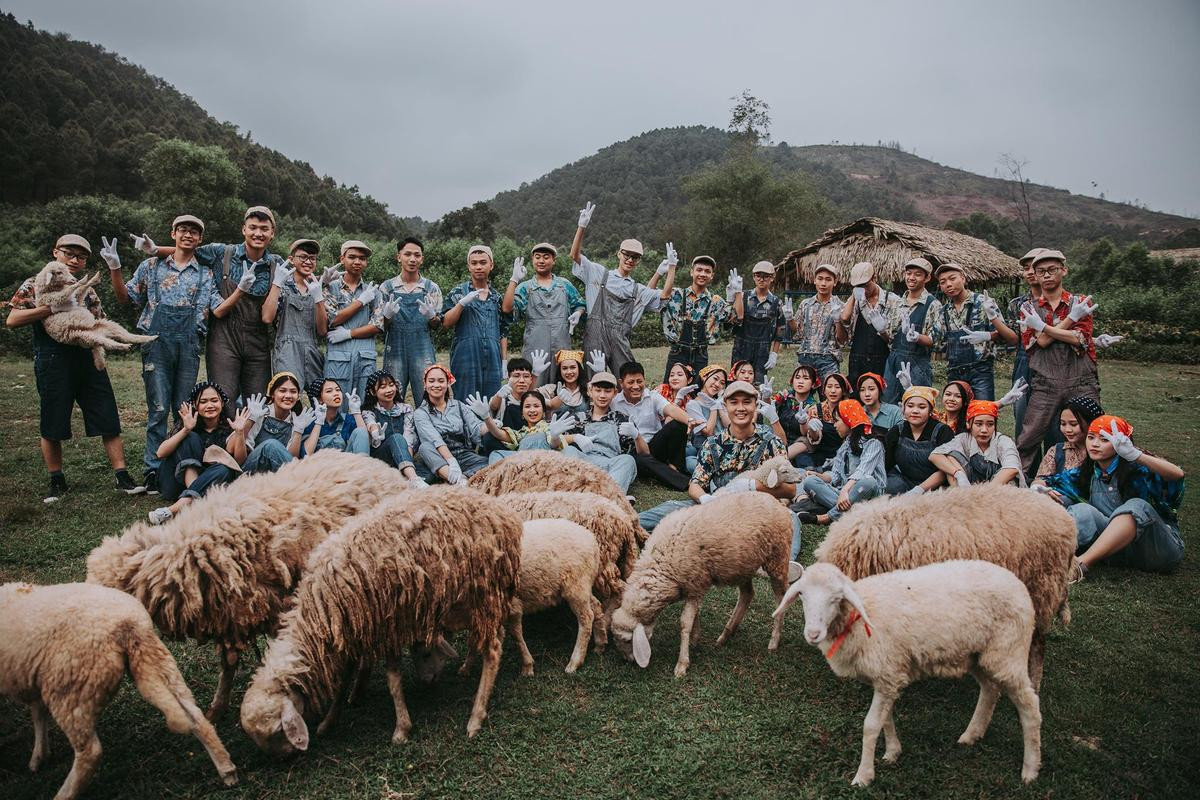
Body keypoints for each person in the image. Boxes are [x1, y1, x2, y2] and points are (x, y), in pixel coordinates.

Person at [6, 233, 142, 501]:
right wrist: (51, 309)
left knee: (107, 415)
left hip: (86, 356)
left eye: (80, 257)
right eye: (69, 253)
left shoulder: (86, 289)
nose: (74, 260)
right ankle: (57, 480)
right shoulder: (35, 284)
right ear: (55, 252)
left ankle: (122, 476)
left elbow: (99, 320)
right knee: (53, 418)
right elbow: (12, 319)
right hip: (52, 358)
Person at [106, 215, 213, 495]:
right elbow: (124, 299)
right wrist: (115, 269)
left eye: (194, 232)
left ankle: (179, 466)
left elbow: (214, 310)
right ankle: (152, 470)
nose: (188, 235)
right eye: (183, 230)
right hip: (155, 343)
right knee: (158, 409)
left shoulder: (205, 273)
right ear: (173, 233)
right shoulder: (150, 267)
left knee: (183, 409)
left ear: (200, 239)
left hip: (189, 345)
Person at [141, 206, 285, 405]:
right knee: (223, 400)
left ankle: (253, 437)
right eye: (253, 227)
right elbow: (186, 250)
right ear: (244, 229)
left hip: (258, 343)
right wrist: (156, 250)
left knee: (259, 402)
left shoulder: (276, 264)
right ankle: (222, 437)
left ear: (272, 233)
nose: (258, 233)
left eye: (264, 228)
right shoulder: (221, 253)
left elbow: (302, 274)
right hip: (223, 340)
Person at [638, 380, 799, 540]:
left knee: (791, 518)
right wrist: (705, 498)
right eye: (734, 402)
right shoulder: (713, 444)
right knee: (670, 509)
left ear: (756, 406)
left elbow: (790, 490)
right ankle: (627, 524)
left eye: (747, 402)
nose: (740, 408)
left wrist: (751, 486)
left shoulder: (771, 441)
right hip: (719, 505)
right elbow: (695, 485)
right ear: (725, 406)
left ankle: (789, 563)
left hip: (759, 508)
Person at [1042, 415, 1184, 574]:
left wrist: (1137, 455)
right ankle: (1043, 555)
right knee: (1080, 509)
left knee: (1137, 506)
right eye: (1091, 437)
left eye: (1104, 440)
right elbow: (1048, 482)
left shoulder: (1141, 471)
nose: (1095, 444)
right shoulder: (1087, 472)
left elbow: (1177, 475)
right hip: (1116, 552)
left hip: (1155, 548)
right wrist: (1038, 489)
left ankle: (1080, 565)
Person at [1015, 249, 1101, 477]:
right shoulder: (1028, 309)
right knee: (1029, 436)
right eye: (1041, 271)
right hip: (1045, 382)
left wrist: (1044, 327)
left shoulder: (1081, 302)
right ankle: (1017, 485)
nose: (1046, 275)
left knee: (1093, 433)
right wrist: (1071, 319)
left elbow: (1080, 339)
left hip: (1081, 381)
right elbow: (1040, 342)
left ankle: (1091, 482)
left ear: (1064, 270)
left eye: (1052, 270)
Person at [569, 201, 669, 373]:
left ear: (638, 261)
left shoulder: (636, 289)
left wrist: (664, 271)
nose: (630, 259)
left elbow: (660, 295)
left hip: (620, 341)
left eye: (635, 257)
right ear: (619, 254)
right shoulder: (598, 273)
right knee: (593, 381)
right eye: (627, 255)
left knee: (627, 380)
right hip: (595, 337)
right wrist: (581, 227)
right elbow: (575, 255)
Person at [147, 382, 249, 525]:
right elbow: (160, 453)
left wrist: (239, 433)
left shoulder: (229, 428)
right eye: (203, 401)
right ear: (195, 404)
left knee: (225, 468)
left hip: (208, 484)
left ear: (222, 403)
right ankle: (193, 499)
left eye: (214, 400)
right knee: (191, 438)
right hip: (174, 484)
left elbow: (239, 461)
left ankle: (179, 506)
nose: (210, 405)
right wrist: (186, 430)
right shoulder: (187, 423)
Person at [502, 242, 585, 384]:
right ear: (532, 260)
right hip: (535, 346)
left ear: (554, 261)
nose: (541, 261)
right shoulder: (525, 287)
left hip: (562, 345)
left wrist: (578, 313)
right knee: (534, 386)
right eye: (537, 257)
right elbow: (507, 309)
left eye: (546, 257)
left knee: (563, 384)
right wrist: (514, 280)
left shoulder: (564, 285)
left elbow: (580, 304)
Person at [933, 262, 1015, 401]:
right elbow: (936, 341)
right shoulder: (944, 311)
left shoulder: (984, 303)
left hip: (980, 371)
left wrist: (988, 335)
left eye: (952, 278)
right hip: (954, 371)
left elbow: (1009, 337)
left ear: (963, 278)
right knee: (956, 417)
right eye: (943, 282)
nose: (948, 284)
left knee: (982, 414)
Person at [376, 237, 442, 405]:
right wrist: (387, 316)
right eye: (407, 254)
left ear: (422, 258)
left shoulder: (431, 288)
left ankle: (427, 429)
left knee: (427, 395)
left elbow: (437, 325)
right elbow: (381, 326)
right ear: (399, 257)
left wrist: (431, 316)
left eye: (417, 255)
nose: (412, 259)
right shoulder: (386, 288)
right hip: (395, 348)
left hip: (423, 348)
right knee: (392, 395)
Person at [798, 399, 886, 525]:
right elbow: (836, 475)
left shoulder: (874, 443)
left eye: (838, 421)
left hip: (867, 495)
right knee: (809, 482)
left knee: (868, 481)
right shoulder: (846, 445)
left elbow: (862, 472)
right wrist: (818, 476)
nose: (834, 425)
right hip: (844, 496)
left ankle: (826, 517)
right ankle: (857, 513)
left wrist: (845, 491)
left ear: (848, 420)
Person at [613, 361, 697, 491]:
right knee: (640, 459)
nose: (636, 386)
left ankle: (675, 466)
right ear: (621, 383)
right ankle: (686, 483)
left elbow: (671, 410)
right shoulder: (615, 403)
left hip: (655, 446)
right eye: (631, 382)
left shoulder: (652, 396)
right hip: (634, 451)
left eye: (639, 381)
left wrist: (689, 420)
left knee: (678, 423)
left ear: (644, 380)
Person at [442, 245, 509, 402]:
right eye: (474, 263)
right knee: (465, 400)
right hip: (465, 356)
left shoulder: (497, 297)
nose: (478, 266)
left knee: (492, 402)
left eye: (483, 262)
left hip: (493, 357)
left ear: (491, 265)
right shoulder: (458, 292)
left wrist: (504, 361)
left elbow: (503, 331)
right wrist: (461, 304)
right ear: (468, 266)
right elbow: (446, 322)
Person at [659, 255, 743, 378]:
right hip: (677, 353)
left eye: (707, 271)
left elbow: (738, 317)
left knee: (697, 394)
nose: (703, 274)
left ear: (712, 276)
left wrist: (738, 292)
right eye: (699, 270)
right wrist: (661, 272)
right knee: (670, 392)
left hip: (700, 356)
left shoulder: (716, 302)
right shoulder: (675, 295)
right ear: (691, 272)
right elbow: (650, 298)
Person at [559, 370, 640, 494]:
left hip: (610, 465)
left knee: (628, 460)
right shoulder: (578, 417)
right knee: (569, 451)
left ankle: (610, 496)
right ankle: (577, 493)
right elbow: (558, 442)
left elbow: (644, 452)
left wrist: (636, 435)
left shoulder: (621, 419)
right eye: (598, 390)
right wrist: (575, 437)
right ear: (590, 391)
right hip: (583, 463)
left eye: (607, 391)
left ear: (615, 393)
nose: (602, 395)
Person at [262, 239, 326, 389]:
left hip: (312, 350)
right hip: (287, 350)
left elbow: (322, 330)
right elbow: (266, 317)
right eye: (303, 257)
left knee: (318, 398)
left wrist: (318, 298)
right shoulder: (282, 286)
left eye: (312, 258)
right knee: (288, 395)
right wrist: (277, 283)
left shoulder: (318, 287)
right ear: (291, 259)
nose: (308, 261)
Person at [323, 240, 380, 399]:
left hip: (365, 357)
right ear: (342, 259)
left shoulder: (373, 291)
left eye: (362, 258)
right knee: (336, 403)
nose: (357, 261)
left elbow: (378, 325)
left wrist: (349, 333)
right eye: (352, 257)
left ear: (366, 262)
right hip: (338, 358)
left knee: (364, 403)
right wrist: (361, 302)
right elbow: (331, 320)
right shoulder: (330, 288)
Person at [413, 364, 488, 483]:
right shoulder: (420, 413)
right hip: (439, 456)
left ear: (448, 384)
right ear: (425, 385)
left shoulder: (458, 405)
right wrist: (451, 461)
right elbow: (434, 439)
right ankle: (458, 480)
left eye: (441, 381)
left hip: (464, 453)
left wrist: (489, 420)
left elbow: (476, 428)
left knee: (491, 464)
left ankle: (462, 477)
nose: (436, 385)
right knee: (424, 448)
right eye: (431, 381)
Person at [881, 257, 943, 403]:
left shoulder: (933, 304)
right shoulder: (897, 303)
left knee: (917, 404)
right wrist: (882, 330)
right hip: (893, 360)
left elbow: (936, 341)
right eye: (909, 273)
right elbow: (889, 339)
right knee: (888, 404)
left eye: (917, 274)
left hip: (917, 363)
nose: (911, 278)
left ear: (927, 278)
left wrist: (917, 337)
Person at [929, 400, 1022, 487]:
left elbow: (1012, 468)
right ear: (968, 424)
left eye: (990, 424)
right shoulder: (963, 438)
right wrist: (958, 473)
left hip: (998, 488)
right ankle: (960, 495)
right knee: (951, 457)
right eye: (979, 424)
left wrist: (984, 493)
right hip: (969, 487)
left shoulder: (1003, 441)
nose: (984, 430)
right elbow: (934, 455)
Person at [1005, 248, 1046, 442]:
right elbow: (1013, 339)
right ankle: (1027, 471)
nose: (1030, 272)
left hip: (1053, 365)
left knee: (1054, 424)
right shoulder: (1016, 304)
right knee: (1022, 419)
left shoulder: (1061, 302)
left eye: (1034, 267)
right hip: (1023, 363)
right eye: (1026, 268)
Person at [838, 261, 901, 387]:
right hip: (858, 359)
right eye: (858, 286)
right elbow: (844, 318)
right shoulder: (856, 301)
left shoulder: (892, 301)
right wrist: (854, 295)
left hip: (882, 359)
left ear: (874, 278)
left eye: (865, 285)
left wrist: (883, 330)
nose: (863, 289)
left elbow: (895, 342)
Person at [883, 385, 953, 495]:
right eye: (910, 406)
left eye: (921, 407)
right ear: (904, 408)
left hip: (935, 487)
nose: (915, 411)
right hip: (904, 482)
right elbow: (886, 463)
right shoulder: (897, 430)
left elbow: (946, 469)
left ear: (930, 410)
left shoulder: (942, 431)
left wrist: (919, 489)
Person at [360, 369, 424, 486]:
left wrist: (406, 462)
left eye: (391, 385)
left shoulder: (406, 409)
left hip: (403, 457)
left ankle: (406, 477)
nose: (389, 390)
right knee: (396, 438)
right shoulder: (368, 411)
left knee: (430, 472)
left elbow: (408, 437)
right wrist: (375, 432)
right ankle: (413, 479)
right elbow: (370, 423)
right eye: (383, 387)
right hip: (381, 458)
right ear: (373, 392)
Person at [469, 389, 563, 463]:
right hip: (522, 465)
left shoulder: (552, 427)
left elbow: (555, 444)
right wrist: (486, 417)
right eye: (527, 406)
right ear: (522, 413)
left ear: (543, 412)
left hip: (546, 462)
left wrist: (555, 437)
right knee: (495, 454)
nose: (532, 410)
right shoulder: (521, 433)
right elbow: (498, 434)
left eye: (536, 406)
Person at [1031, 396, 1104, 493]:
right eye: (1063, 424)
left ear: (1091, 422)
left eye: (1073, 424)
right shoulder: (1057, 451)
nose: (1067, 430)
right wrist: (1038, 487)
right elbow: (1042, 479)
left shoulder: (1104, 450)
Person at [731, 260, 787, 383]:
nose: (761, 279)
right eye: (758, 276)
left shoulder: (776, 302)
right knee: (737, 384)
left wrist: (774, 354)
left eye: (765, 276)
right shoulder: (744, 296)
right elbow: (735, 318)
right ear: (753, 277)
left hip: (762, 350)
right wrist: (736, 295)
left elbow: (780, 330)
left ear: (772, 278)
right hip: (741, 347)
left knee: (759, 386)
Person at [242, 372, 308, 474]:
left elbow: (290, 458)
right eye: (282, 391)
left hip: (279, 474)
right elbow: (241, 449)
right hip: (252, 470)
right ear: (272, 394)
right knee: (271, 446)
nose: (288, 395)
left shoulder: (297, 419)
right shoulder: (259, 412)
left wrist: (298, 431)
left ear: (298, 396)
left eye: (293, 392)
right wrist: (250, 420)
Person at [788, 263, 843, 381]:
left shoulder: (840, 306)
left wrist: (837, 320)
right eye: (820, 279)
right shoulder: (806, 304)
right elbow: (797, 333)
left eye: (828, 279)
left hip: (828, 360)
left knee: (829, 396)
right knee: (801, 396)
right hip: (805, 357)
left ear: (835, 282)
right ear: (814, 280)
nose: (823, 283)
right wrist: (789, 319)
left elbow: (843, 339)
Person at [483, 356, 546, 455]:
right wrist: (499, 395)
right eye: (516, 376)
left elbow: (551, 404)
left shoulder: (535, 397)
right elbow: (493, 406)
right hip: (506, 443)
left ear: (530, 379)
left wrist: (562, 396)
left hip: (531, 443)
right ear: (508, 377)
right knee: (489, 439)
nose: (521, 380)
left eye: (526, 376)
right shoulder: (503, 397)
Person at [301, 378, 369, 456]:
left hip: (347, 465)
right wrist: (319, 422)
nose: (336, 393)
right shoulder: (309, 422)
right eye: (329, 391)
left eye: (338, 390)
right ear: (319, 399)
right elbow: (306, 454)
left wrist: (356, 412)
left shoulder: (348, 419)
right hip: (319, 466)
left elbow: (364, 441)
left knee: (360, 431)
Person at [772, 364, 822, 466]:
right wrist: (766, 397)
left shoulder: (813, 407)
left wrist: (803, 422)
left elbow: (807, 434)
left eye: (806, 378)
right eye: (797, 377)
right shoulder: (785, 397)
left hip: (800, 445)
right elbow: (769, 405)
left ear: (813, 384)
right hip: (779, 439)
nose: (800, 381)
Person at [684, 365, 729, 472]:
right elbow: (708, 432)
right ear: (704, 377)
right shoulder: (693, 405)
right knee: (690, 462)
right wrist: (714, 407)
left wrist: (720, 406)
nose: (717, 384)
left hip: (726, 445)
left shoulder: (721, 402)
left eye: (722, 383)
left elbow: (730, 427)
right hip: (705, 448)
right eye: (715, 378)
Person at [807, 373, 851, 468]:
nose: (833, 391)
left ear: (843, 391)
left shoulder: (851, 410)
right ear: (824, 390)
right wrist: (812, 429)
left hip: (844, 458)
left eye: (837, 387)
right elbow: (814, 440)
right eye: (829, 387)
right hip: (820, 457)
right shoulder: (815, 409)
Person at [543, 349, 589, 415]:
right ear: (560, 371)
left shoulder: (589, 388)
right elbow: (529, 397)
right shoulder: (551, 389)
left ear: (579, 369)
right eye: (564, 368)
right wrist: (550, 403)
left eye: (573, 367)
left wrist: (600, 372)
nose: (569, 372)